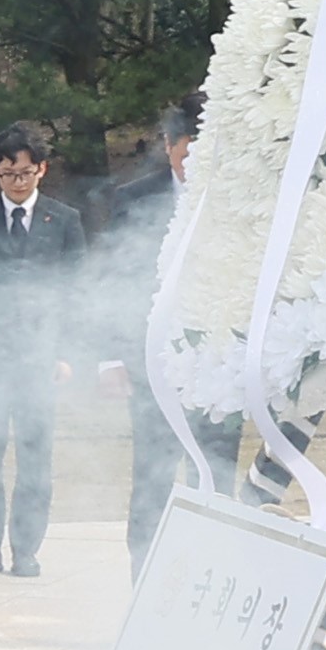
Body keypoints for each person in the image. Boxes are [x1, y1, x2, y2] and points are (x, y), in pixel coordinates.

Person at [99, 103, 241, 570]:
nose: (198, 159)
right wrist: (111, 357)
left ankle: (211, 574)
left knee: (219, 476)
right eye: (189, 148)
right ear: (168, 146)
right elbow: (111, 279)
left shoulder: (242, 199)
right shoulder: (133, 198)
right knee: (153, 476)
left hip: (221, 365)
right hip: (153, 365)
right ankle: (144, 579)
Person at [0, 123, 82, 577]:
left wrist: (66, 353)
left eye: (26, 172)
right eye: (9, 174)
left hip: (40, 359)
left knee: (35, 456)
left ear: (41, 170)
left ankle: (26, 549)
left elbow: (75, 293)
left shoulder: (65, 221)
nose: (18, 182)